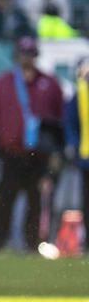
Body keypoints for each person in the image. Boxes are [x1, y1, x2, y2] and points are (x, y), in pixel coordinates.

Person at [0, 37, 63, 251]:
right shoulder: (4, 82)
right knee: (4, 199)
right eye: (23, 53)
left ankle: (33, 242)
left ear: (36, 56)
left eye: (31, 54)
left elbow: (59, 116)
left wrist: (55, 148)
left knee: (36, 200)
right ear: (17, 56)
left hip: (38, 155)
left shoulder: (49, 83)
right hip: (10, 153)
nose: (27, 58)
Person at [63, 58, 89, 248]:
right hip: (86, 157)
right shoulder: (78, 96)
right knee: (86, 200)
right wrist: (73, 145)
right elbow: (70, 124)